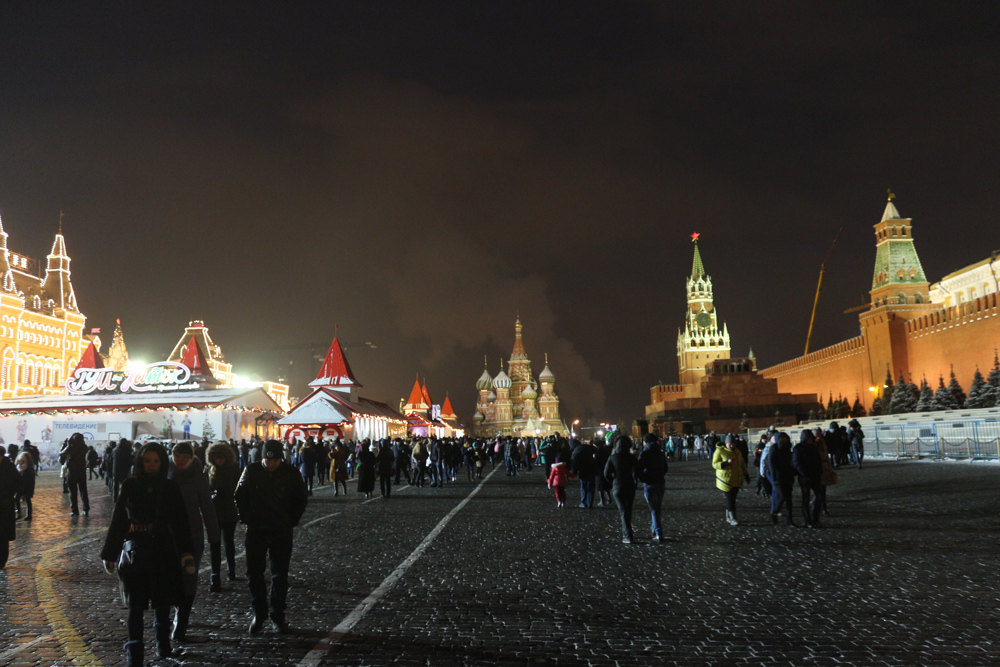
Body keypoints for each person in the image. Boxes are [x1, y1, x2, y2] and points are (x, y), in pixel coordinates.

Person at [100, 442, 195, 665]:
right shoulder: (130, 485)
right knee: (135, 605)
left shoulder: (170, 486)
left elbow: (180, 522)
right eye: (147, 460)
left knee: (162, 602)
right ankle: (135, 655)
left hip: (163, 550)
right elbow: (118, 521)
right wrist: (110, 553)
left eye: (156, 461)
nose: (151, 465)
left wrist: (186, 553)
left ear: (162, 463)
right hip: (134, 551)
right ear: (140, 462)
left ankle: (163, 645)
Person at [235, 440, 307, 634]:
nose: (271, 463)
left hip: (281, 530)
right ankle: (259, 612)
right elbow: (240, 496)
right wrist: (247, 519)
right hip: (256, 530)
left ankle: (278, 614)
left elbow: (301, 499)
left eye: (275, 460)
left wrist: (291, 520)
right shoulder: (251, 470)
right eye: (268, 460)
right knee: (254, 573)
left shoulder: (291, 473)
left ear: (280, 459)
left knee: (279, 574)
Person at [168, 442, 220, 642]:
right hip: (169, 533)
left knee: (189, 576)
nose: (180, 459)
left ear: (191, 458)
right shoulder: (166, 474)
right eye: (177, 455)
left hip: (192, 533)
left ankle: (182, 617)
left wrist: (214, 535)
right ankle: (175, 608)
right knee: (172, 576)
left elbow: (207, 506)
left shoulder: (199, 477)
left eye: (184, 456)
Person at [207, 442, 241, 588]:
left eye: (221, 457)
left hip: (229, 510)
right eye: (216, 458)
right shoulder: (208, 470)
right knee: (214, 543)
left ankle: (231, 568)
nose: (219, 460)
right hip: (213, 511)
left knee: (228, 541)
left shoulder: (234, 470)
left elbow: (239, 489)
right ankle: (215, 574)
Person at [603, 436, 638, 544]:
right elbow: (638, 470)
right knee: (628, 510)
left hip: (618, 486)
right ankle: (628, 533)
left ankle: (627, 535)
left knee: (623, 511)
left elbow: (606, 474)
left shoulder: (613, 458)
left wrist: (613, 482)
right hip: (630, 486)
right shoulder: (631, 457)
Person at [637, 433, 668, 542]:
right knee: (657, 507)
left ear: (645, 441)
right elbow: (665, 468)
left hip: (650, 483)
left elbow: (638, 468)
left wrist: (643, 479)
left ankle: (658, 533)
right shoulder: (660, 452)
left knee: (654, 508)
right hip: (660, 482)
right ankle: (654, 529)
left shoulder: (645, 453)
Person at [792, 429, 824, 528]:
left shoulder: (813, 447)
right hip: (805, 478)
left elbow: (818, 461)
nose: (810, 440)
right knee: (805, 498)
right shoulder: (798, 448)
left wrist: (820, 472)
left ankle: (815, 519)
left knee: (819, 496)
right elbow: (796, 463)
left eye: (811, 438)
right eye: (808, 438)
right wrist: (804, 473)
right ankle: (808, 520)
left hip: (815, 476)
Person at [712, 434, 746, 526]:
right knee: (730, 499)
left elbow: (742, 464)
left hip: (736, 479)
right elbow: (714, 464)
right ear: (726, 443)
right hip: (725, 480)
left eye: (733, 443)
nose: (731, 445)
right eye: (730, 444)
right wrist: (726, 463)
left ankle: (728, 517)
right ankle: (732, 518)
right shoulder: (720, 451)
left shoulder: (737, 451)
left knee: (732, 499)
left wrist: (746, 475)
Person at [765, 432, 796, 526]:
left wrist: (792, 474)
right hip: (778, 477)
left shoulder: (787, 448)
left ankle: (789, 520)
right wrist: (774, 477)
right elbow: (771, 462)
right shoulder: (774, 448)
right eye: (782, 438)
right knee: (782, 496)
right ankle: (774, 512)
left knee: (789, 499)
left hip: (787, 476)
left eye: (785, 438)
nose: (784, 440)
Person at [60, 433, 90, 516]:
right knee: (83, 490)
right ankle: (86, 508)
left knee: (73, 492)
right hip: (82, 470)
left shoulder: (71, 447)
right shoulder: (84, 447)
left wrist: (66, 444)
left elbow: (61, 454)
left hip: (73, 471)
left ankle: (75, 510)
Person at [0, 448, 19, 568]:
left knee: (3, 535)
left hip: (4, 505)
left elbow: (18, 483)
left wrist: (12, 496)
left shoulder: (9, 467)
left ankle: (1, 561)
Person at [570, 438, 597, 509]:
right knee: (591, 487)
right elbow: (595, 451)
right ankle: (590, 502)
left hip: (583, 470)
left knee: (584, 487)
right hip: (592, 469)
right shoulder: (587, 447)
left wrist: (575, 472)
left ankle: (584, 503)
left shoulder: (575, 452)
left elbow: (574, 463)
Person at [14, 451, 35, 522]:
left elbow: (31, 481)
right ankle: (19, 514)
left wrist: (31, 490)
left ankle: (28, 515)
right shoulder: (19, 468)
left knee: (27, 501)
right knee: (17, 499)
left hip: (26, 488)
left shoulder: (29, 470)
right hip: (20, 487)